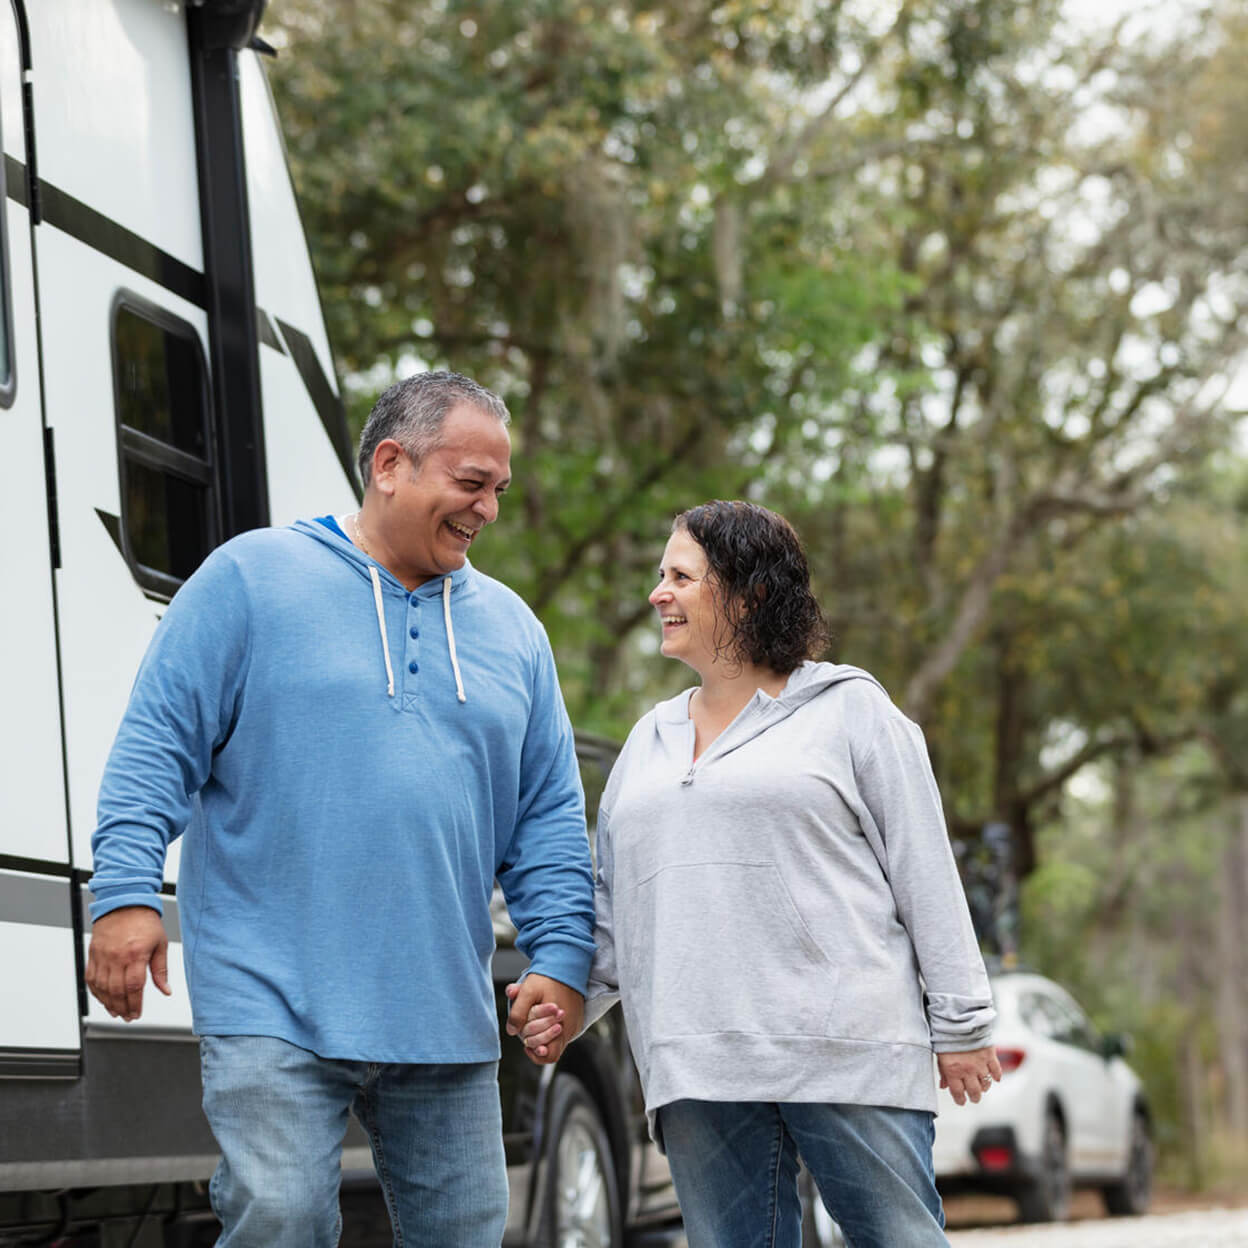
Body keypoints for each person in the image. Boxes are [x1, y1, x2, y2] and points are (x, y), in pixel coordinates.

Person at [86, 371, 594, 1248]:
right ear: (391, 464)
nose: (488, 511)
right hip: (272, 991)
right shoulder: (250, 578)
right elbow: (155, 746)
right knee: (279, 1215)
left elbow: (546, 814)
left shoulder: (514, 633)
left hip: (442, 1003)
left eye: (500, 491)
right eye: (471, 485)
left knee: (469, 1233)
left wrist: (563, 954)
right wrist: (125, 891)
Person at [511, 499, 1000, 1248]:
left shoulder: (852, 714)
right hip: (696, 1061)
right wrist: (573, 995)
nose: (658, 593)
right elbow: (619, 903)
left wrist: (961, 1024)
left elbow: (924, 871)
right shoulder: (650, 741)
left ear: (751, 594)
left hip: (847, 1052)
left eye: (681, 576)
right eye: (659, 575)